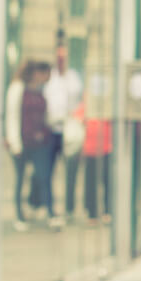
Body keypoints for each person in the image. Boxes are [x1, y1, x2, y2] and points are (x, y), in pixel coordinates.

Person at [5, 60, 56, 232]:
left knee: (44, 176)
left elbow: (46, 115)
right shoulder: (18, 88)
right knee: (20, 179)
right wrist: (14, 142)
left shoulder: (42, 91)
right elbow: (12, 115)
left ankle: (50, 212)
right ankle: (19, 215)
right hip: (22, 141)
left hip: (40, 142)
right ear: (35, 73)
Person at [45, 42, 84, 227]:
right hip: (51, 131)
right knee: (48, 172)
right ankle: (51, 210)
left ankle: (69, 209)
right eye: (58, 57)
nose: (61, 61)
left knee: (71, 173)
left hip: (70, 131)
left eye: (64, 58)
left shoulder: (74, 79)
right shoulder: (49, 79)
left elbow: (81, 101)